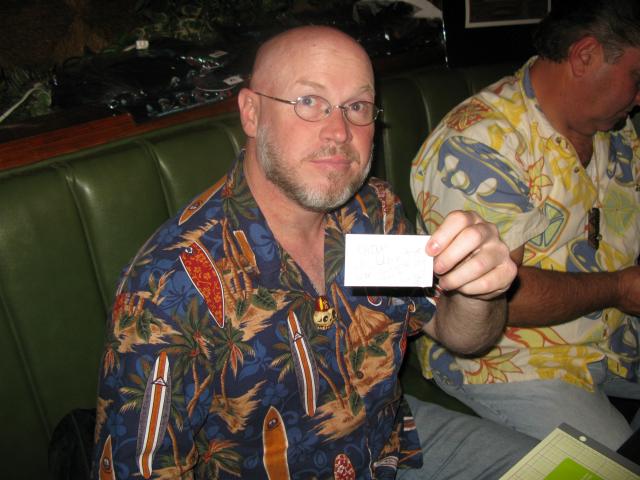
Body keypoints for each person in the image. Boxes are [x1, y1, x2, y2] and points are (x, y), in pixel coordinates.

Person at [92, 25, 536, 480]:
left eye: (356, 106)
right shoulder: (168, 286)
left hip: (391, 442)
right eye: (309, 101)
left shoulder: (375, 211)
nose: (339, 131)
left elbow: (460, 335)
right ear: (251, 113)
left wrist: (479, 293)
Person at [410, 0, 640, 452]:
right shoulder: (480, 143)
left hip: (613, 334)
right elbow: (501, 300)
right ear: (585, 55)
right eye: (637, 78)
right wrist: (619, 289)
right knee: (615, 469)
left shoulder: (614, 128)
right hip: (509, 357)